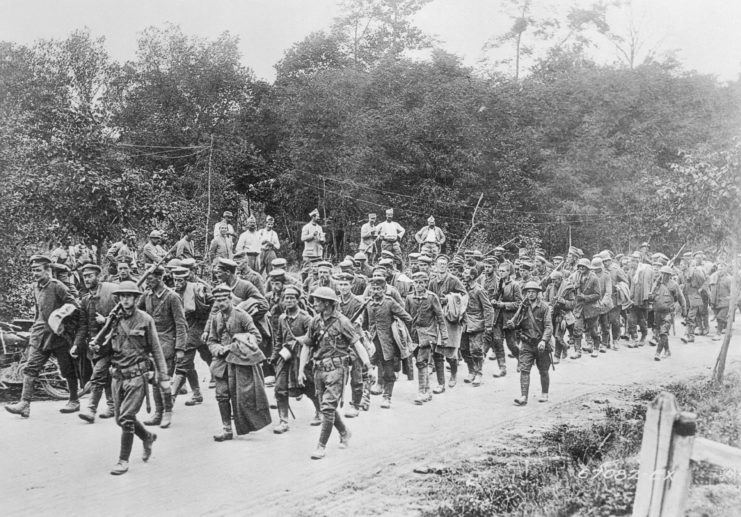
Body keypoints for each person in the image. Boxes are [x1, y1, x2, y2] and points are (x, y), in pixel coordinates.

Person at [96, 281, 168, 475]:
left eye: (129, 296)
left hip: (137, 376)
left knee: (126, 418)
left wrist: (163, 377)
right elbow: (107, 348)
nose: (125, 300)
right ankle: (147, 437)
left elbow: (156, 349)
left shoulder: (145, 319)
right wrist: (98, 346)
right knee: (120, 419)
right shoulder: (114, 320)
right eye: (122, 296)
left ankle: (122, 460)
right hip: (117, 375)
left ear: (136, 299)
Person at [297, 287, 370, 459]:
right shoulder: (315, 321)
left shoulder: (343, 322)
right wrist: (301, 370)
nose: (314, 304)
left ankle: (321, 446)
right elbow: (307, 346)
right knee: (326, 407)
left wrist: (368, 364)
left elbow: (357, 344)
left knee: (328, 407)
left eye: (318, 301)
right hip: (319, 370)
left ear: (328, 303)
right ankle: (344, 432)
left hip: (337, 370)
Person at [5, 255, 81, 418]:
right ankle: (24, 404)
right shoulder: (36, 287)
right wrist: (34, 328)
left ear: (48, 270)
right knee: (30, 367)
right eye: (33, 270)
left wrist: (63, 323)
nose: (35, 274)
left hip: (59, 336)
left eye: (38, 270)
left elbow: (74, 307)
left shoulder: (57, 286)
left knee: (67, 369)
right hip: (40, 335)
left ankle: (74, 400)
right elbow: (38, 312)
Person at [207, 284, 272, 442]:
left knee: (242, 397)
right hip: (222, 363)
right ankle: (227, 429)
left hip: (240, 363)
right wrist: (218, 349)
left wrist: (235, 346)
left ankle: (246, 425)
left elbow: (256, 337)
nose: (221, 303)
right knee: (221, 396)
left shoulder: (242, 316)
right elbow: (211, 340)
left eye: (224, 299)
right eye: (218, 300)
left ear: (230, 299)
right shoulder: (216, 318)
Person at [137, 266, 187, 429]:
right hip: (151, 344)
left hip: (167, 344)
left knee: (162, 380)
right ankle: (158, 413)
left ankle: (166, 412)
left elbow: (180, 324)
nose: (148, 281)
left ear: (159, 278)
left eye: (150, 279)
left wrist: (180, 348)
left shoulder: (172, 297)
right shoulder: (147, 295)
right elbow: (137, 313)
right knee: (154, 380)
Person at [270, 285, 322, 432]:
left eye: (292, 297)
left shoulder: (306, 318)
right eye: (286, 298)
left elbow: (314, 341)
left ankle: (320, 411)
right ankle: (283, 421)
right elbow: (279, 339)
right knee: (280, 388)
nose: (289, 300)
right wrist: (274, 357)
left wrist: (307, 357)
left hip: (301, 358)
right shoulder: (282, 318)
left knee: (308, 387)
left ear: (298, 300)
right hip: (285, 356)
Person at [75, 263, 118, 423]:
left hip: (111, 342)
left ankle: (91, 409)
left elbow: (123, 317)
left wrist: (105, 320)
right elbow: (83, 325)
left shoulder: (110, 293)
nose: (86, 279)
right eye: (84, 276)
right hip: (95, 346)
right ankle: (112, 406)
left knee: (98, 375)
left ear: (97, 276)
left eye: (90, 276)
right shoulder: (85, 299)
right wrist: (76, 344)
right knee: (104, 376)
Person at [363, 277, 413, 408]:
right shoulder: (368, 304)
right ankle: (364, 398)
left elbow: (407, 318)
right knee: (365, 369)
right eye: (373, 289)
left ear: (384, 289)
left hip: (387, 344)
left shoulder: (390, 302)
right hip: (372, 344)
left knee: (388, 372)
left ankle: (387, 397)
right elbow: (365, 324)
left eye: (379, 289)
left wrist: (399, 330)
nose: (375, 292)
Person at [505, 281, 553, 406]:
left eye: (533, 292)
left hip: (541, 344)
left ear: (537, 293)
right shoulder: (523, 307)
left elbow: (548, 327)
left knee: (543, 370)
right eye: (528, 292)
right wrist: (513, 324)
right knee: (524, 369)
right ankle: (523, 396)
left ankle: (544, 393)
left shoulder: (544, 307)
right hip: (526, 343)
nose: (530, 294)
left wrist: (543, 341)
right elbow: (518, 323)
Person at [171, 267, 213, 407]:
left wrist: (209, 324)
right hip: (186, 328)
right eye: (175, 280)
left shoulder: (197, 290)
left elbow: (213, 304)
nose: (177, 283)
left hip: (197, 327)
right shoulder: (173, 293)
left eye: (180, 280)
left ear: (186, 279)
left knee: (204, 358)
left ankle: (170, 399)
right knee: (187, 363)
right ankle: (196, 394)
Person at [405, 271, 448, 404]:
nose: (418, 285)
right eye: (416, 282)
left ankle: (421, 392)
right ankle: (428, 391)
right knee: (420, 363)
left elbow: (440, 317)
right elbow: (406, 317)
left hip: (429, 333)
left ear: (426, 283)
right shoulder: (409, 298)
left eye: (421, 282)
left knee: (421, 361)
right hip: (414, 334)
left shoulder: (432, 297)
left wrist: (444, 335)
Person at [428, 255, 466, 391]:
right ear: (435, 265)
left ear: (447, 265)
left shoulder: (453, 280)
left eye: (444, 263)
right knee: (437, 352)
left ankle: (454, 375)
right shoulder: (432, 282)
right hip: (437, 320)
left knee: (450, 352)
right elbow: (429, 297)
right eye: (439, 263)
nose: (442, 266)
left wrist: (450, 299)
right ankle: (441, 383)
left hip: (450, 320)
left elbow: (464, 296)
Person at [335, 273, 369, 418]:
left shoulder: (357, 302)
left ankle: (356, 404)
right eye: (340, 284)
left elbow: (358, 323)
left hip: (355, 340)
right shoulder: (335, 302)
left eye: (346, 284)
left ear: (351, 285)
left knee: (357, 374)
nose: (343, 287)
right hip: (339, 341)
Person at [460, 267, 494, 386]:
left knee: (476, 350)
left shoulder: (479, 290)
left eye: (466, 273)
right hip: (463, 323)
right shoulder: (462, 288)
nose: (463, 274)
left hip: (477, 323)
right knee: (463, 349)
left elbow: (488, 308)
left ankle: (479, 373)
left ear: (472, 276)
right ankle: (471, 370)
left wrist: (489, 325)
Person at [490, 261, 522, 376]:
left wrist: (503, 305)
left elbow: (519, 303)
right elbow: (494, 295)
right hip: (497, 317)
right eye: (499, 271)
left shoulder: (515, 285)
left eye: (503, 271)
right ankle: (502, 368)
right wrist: (493, 300)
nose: (500, 273)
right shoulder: (498, 283)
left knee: (511, 344)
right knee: (497, 342)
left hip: (509, 318)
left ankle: (521, 360)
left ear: (509, 272)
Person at [651, 265, 687, 360]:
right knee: (662, 333)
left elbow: (681, 298)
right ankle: (667, 351)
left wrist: (684, 310)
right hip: (657, 312)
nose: (663, 276)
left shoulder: (674, 285)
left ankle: (657, 353)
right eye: (662, 273)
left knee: (663, 332)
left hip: (668, 313)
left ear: (669, 275)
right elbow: (651, 296)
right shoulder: (657, 284)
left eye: (666, 274)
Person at [543, 270, 575, 364]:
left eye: (555, 280)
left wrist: (564, 302)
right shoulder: (550, 287)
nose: (553, 282)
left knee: (558, 336)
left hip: (563, 315)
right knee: (553, 334)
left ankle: (557, 355)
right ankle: (564, 346)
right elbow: (544, 301)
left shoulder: (568, 288)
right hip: (552, 314)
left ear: (561, 279)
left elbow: (572, 304)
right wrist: (549, 306)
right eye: (552, 280)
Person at [572, 258, 601, 358]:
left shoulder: (594, 278)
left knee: (593, 331)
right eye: (580, 267)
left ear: (588, 267)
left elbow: (598, 295)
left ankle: (596, 348)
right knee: (577, 329)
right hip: (579, 308)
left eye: (583, 266)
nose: (581, 268)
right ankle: (577, 351)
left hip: (591, 308)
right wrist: (574, 288)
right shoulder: (576, 276)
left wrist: (585, 297)